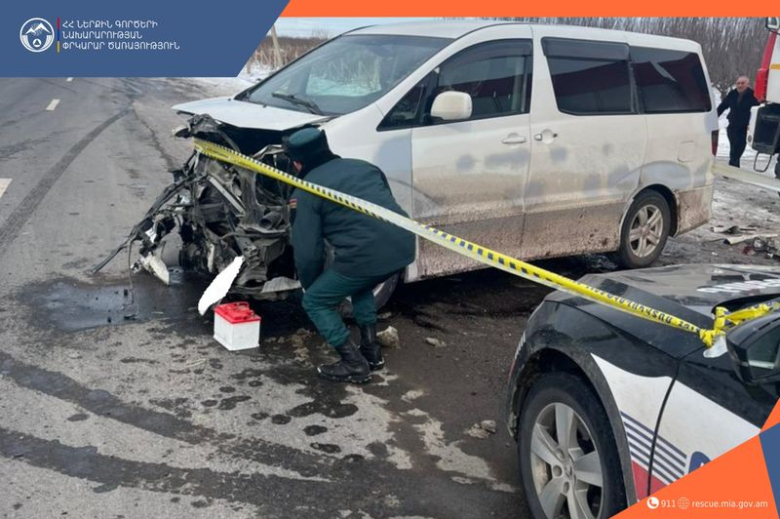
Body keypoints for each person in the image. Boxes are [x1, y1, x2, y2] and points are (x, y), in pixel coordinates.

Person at [284, 127, 415, 384]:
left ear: (297, 163)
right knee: (360, 282)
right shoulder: (365, 167)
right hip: (405, 244)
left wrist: (312, 286)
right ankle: (371, 352)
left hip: (365, 255)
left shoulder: (305, 191)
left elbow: (308, 252)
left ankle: (354, 364)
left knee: (315, 301)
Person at [717, 76, 760, 167]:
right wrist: (714, 117)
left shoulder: (753, 95)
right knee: (733, 148)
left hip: (744, 126)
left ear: (747, 84)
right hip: (732, 125)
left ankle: (732, 166)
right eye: (738, 83)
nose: (740, 85)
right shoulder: (732, 94)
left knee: (739, 148)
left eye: (742, 83)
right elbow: (723, 106)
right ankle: (734, 166)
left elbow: (757, 111)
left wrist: (753, 124)